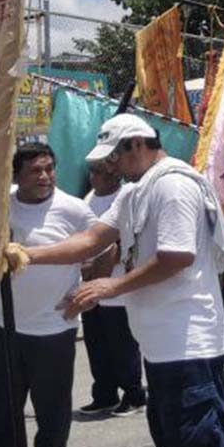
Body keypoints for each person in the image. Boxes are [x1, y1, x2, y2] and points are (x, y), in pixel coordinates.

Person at [23, 114, 224, 447]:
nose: (111, 167)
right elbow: (91, 240)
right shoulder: (136, 190)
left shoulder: (174, 185)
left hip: (188, 334)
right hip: (157, 338)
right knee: (167, 432)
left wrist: (112, 285)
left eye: (116, 156)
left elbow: (177, 256)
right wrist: (26, 255)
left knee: (197, 433)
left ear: (138, 144)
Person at [0, 144, 95, 447]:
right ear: (17, 175)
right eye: (35, 171)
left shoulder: (74, 210)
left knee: (51, 404)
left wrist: (89, 294)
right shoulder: (0, 201)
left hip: (52, 327)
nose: (45, 176)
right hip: (0, 321)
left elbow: (103, 248)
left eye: (50, 168)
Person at [79, 159, 145, 417]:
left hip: (116, 289)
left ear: (114, 174)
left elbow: (123, 243)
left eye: (100, 172)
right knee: (97, 345)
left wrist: (99, 267)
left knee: (123, 346)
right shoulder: (88, 198)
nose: (94, 176)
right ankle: (104, 394)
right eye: (92, 171)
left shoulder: (124, 198)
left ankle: (134, 395)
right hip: (89, 285)